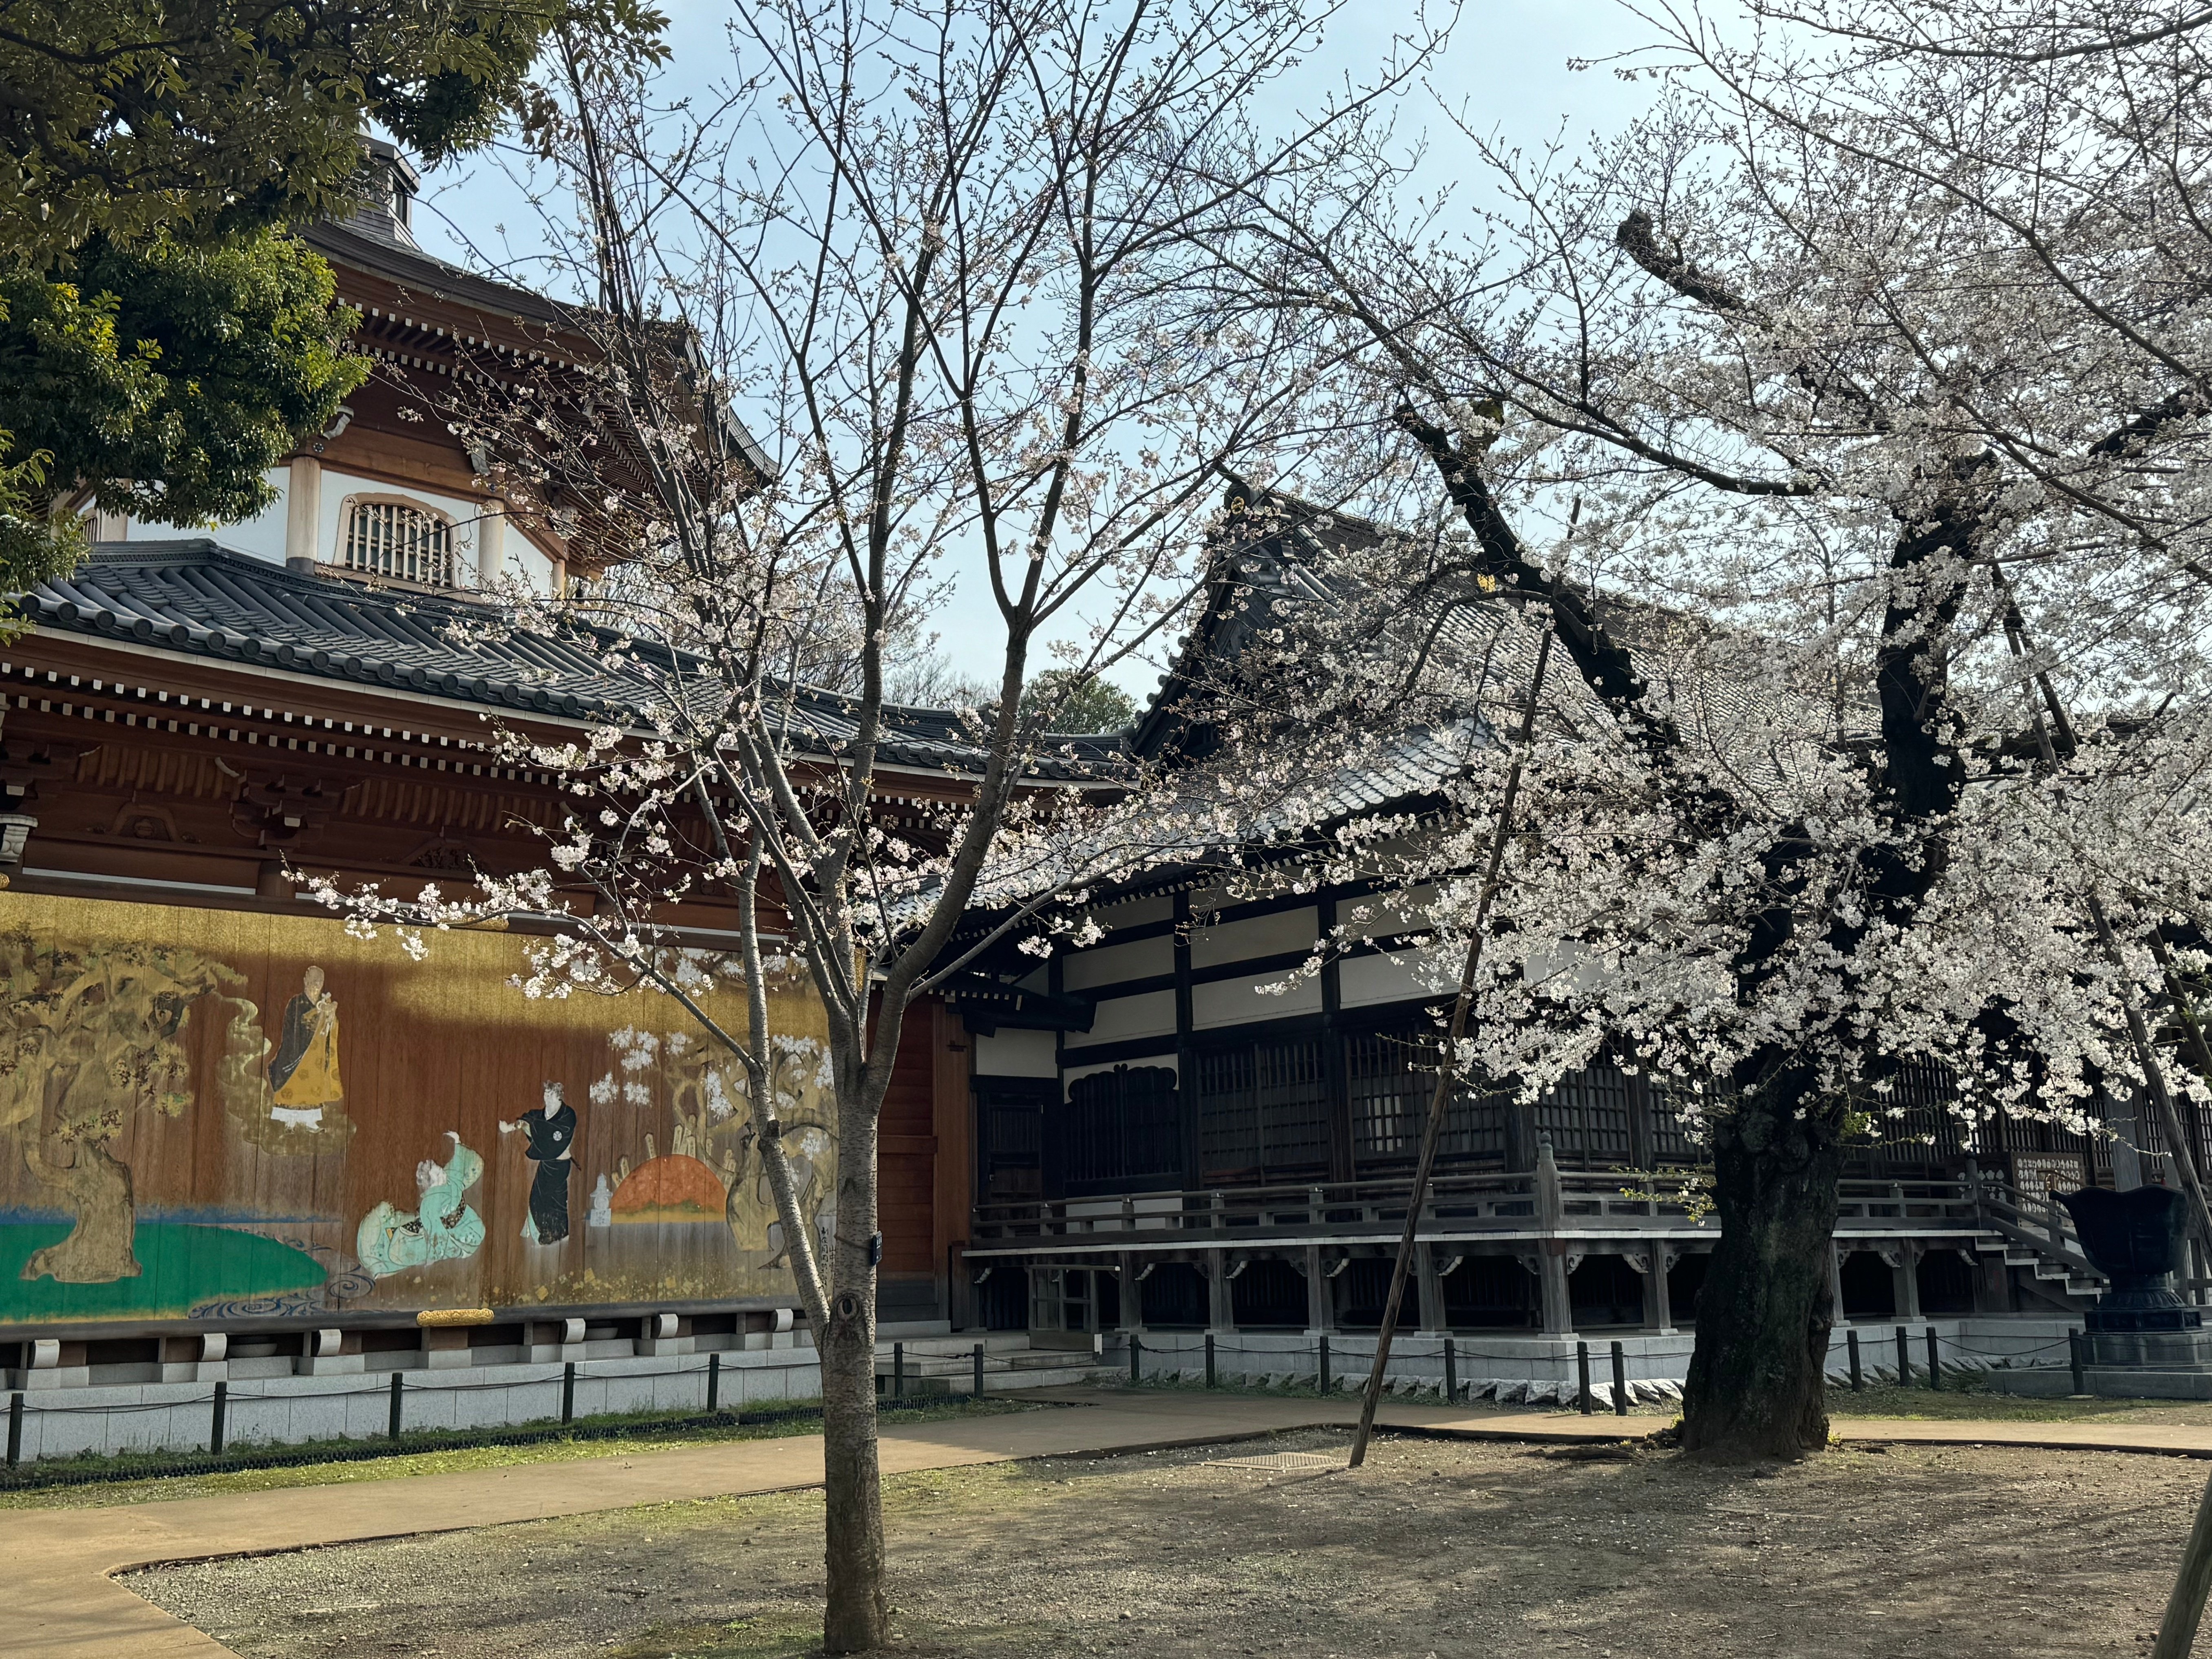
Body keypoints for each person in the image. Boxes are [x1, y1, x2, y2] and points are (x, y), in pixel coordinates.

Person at [499, 1081, 577, 1244]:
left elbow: (553, 1135)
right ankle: (552, 1232)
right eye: (545, 1094)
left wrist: (530, 1125)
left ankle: (553, 1233)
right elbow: (533, 1119)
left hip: (560, 1165)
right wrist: (517, 1125)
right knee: (540, 1198)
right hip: (547, 1165)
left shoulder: (567, 1115)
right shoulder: (544, 1114)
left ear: (559, 1095)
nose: (546, 1098)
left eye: (550, 1095)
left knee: (553, 1200)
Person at [267, 965, 341, 1128]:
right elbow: (290, 1029)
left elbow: (331, 1026)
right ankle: (290, 1121)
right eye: (313, 980)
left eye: (320, 981)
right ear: (305, 981)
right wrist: (315, 1014)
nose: (316, 984)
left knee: (313, 1087)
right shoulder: (296, 1002)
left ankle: (310, 1121)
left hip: (316, 1055)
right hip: (297, 1052)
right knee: (292, 1085)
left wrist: (330, 1015)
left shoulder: (325, 1002)